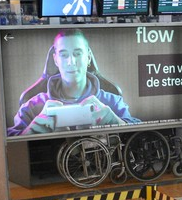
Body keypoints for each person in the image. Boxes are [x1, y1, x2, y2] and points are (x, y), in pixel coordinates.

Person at [8, 29, 138, 136]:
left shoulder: (112, 102)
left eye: (77, 54)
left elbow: (140, 132)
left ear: (88, 58)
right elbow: (6, 143)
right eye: (64, 55)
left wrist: (117, 122)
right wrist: (29, 132)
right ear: (55, 60)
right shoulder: (32, 107)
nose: (71, 62)